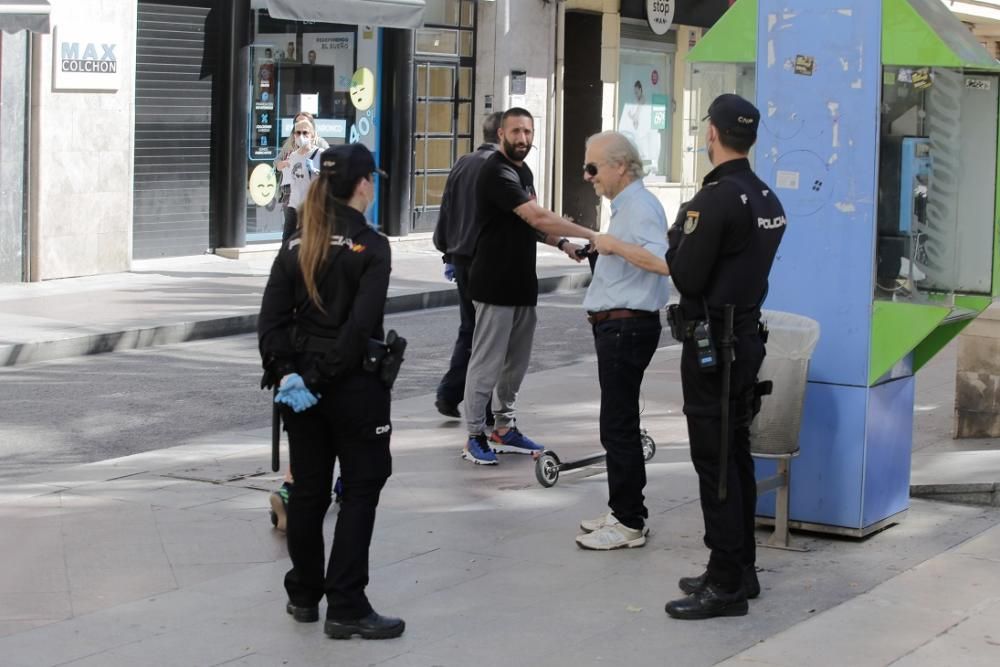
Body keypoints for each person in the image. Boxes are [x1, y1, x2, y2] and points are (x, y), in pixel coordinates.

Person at [258, 142, 405, 640]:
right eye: (373, 180)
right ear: (365, 184)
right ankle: (345, 603)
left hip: (300, 390)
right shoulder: (372, 246)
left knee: (308, 492)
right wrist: (317, 379)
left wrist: (286, 376)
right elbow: (358, 329)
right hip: (351, 389)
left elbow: (271, 319)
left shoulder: (298, 238)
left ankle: (303, 595)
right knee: (362, 487)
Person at [659, 94, 786, 620]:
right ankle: (738, 567)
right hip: (746, 340)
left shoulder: (712, 201)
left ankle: (727, 584)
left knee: (715, 462)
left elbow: (685, 274)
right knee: (734, 454)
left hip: (715, 346)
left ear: (710, 133)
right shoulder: (766, 198)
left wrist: (676, 239)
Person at [461, 107, 596, 465]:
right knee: (486, 364)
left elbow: (530, 224)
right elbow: (536, 214)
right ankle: (474, 433)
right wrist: (592, 233)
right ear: (502, 134)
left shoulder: (524, 171)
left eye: (528, 132)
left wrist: (562, 244)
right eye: (516, 131)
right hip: (493, 284)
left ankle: (503, 428)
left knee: (515, 365)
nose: (523, 138)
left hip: (522, 284)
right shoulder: (496, 172)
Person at [574, 131, 670, 551]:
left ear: (619, 166)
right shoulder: (626, 207)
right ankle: (622, 510)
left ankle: (630, 520)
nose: (587, 175)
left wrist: (615, 245)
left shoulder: (641, 207)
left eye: (593, 167)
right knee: (617, 421)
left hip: (627, 327)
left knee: (618, 424)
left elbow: (663, 261)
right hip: (617, 325)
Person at [268, 112, 331, 531]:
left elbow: (271, 319)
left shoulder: (292, 258)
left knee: (306, 437)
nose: (303, 136)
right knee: (325, 436)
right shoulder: (341, 249)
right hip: (321, 364)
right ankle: (300, 492)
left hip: (298, 362)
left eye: (307, 130)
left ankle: (293, 488)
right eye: (299, 131)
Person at [432, 111, 502, 420]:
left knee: (471, 329)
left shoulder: (463, 162)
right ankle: (480, 405)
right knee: (489, 334)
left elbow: (446, 207)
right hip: (485, 260)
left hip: (461, 258)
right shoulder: (499, 167)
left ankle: (452, 393)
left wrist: (446, 250)